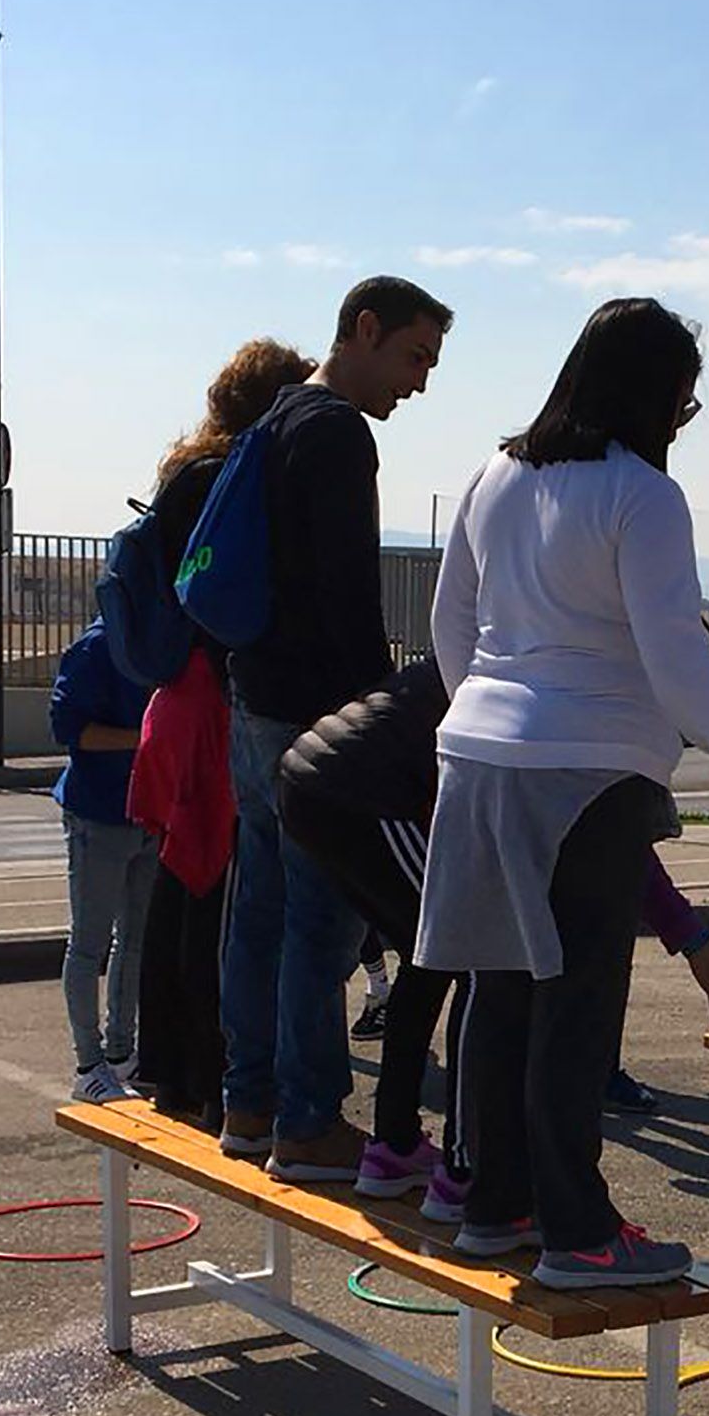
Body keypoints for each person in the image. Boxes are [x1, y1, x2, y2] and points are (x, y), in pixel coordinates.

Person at [417, 296, 709, 1288]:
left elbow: (447, 625)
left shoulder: (492, 471)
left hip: (478, 757)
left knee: (501, 987)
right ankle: (579, 1231)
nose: (679, 424)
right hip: (584, 771)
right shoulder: (641, 493)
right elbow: (680, 658)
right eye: (681, 405)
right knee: (577, 1000)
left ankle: (496, 1202)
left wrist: (493, 709)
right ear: (653, 396)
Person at [279, 658, 709, 1224]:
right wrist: (696, 944)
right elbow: (627, 852)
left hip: (313, 779)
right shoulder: (579, 698)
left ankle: (393, 1149)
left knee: (430, 958)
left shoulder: (521, 659)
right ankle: (464, 1173)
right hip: (362, 793)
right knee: (474, 959)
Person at [218, 274, 451, 1182]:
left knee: (259, 912)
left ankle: (249, 1102)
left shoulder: (273, 419)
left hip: (251, 701)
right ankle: (308, 1123)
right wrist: (380, 715)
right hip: (315, 716)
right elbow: (350, 597)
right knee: (318, 927)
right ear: (363, 330)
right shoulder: (337, 434)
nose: (420, 381)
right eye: (413, 356)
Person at [130, 338, 316, 1129]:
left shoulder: (184, 472)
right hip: (215, 698)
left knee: (179, 882)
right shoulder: (234, 476)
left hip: (174, 698)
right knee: (221, 892)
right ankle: (215, 1080)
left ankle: (168, 1070)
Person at [50, 620, 159, 1103]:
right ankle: (88, 1064)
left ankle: (121, 1055)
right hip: (98, 813)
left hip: (146, 812)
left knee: (133, 941)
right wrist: (144, 738)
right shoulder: (98, 646)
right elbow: (68, 728)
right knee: (89, 943)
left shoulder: (157, 641)